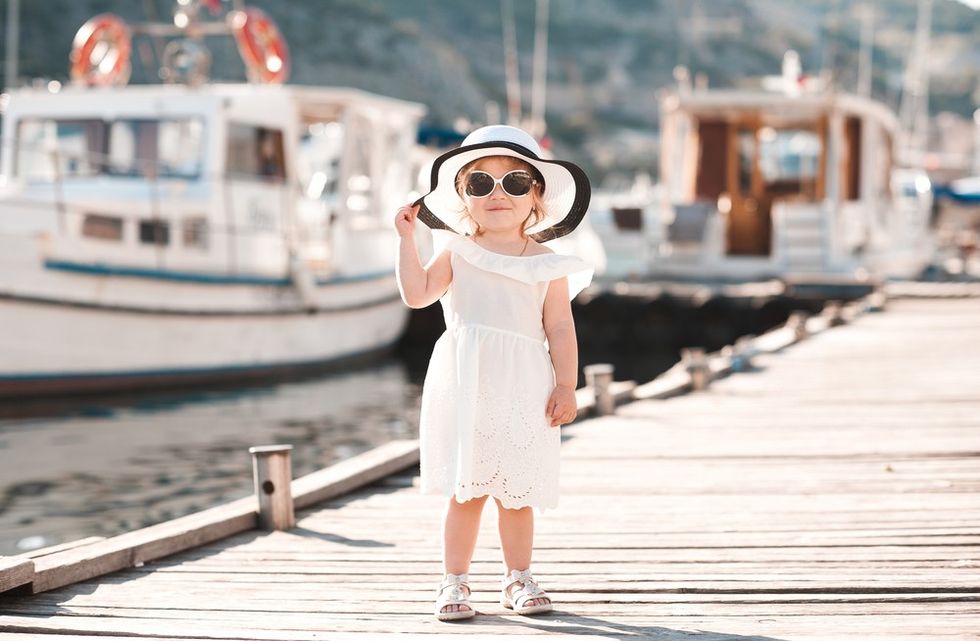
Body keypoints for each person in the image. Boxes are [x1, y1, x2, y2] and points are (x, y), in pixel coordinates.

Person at [394, 125, 593, 621]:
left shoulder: (548, 263)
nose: (498, 195)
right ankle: (454, 580)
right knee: (468, 487)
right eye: (480, 184)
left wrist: (567, 385)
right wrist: (407, 240)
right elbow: (417, 294)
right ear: (464, 197)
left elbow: (561, 328)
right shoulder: (456, 251)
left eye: (515, 183)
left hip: (525, 384)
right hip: (467, 382)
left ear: (536, 196)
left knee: (516, 490)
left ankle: (517, 576)